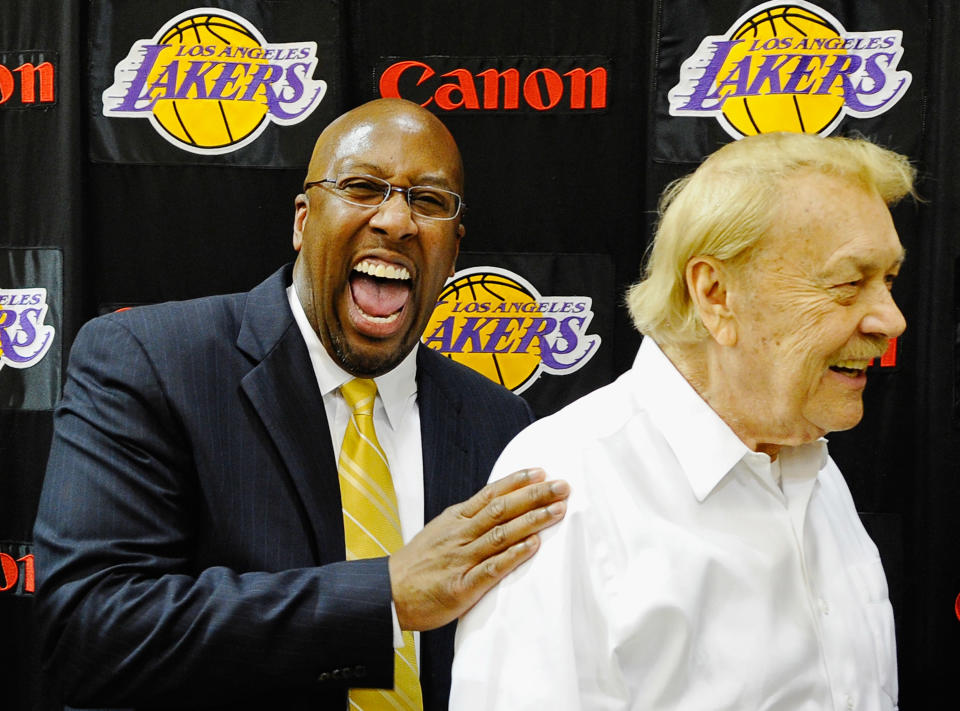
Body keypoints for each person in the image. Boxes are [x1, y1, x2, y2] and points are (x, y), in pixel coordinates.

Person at [32, 98, 569, 710]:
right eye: (363, 187)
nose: (397, 221)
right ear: (302, 220)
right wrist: (385, 597)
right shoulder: (149, 361)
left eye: (429, 201)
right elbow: (89, 633)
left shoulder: (499, 423)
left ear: (452, 249)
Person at [450, 132, 913, 710]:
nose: (890, 320)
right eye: (849, 283)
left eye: (889, 280)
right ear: (716, 293)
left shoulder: (814, 469)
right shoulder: (569, 491)